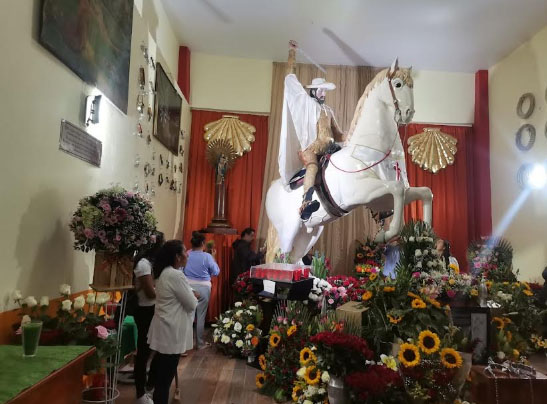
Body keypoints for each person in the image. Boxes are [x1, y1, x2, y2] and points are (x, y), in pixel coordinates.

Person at [279, 40, 346, 220]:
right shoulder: (306, 104)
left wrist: (355, 134)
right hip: (311, 148)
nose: (324, 94)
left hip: (331, 148)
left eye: (325, 91)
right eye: (321, 91)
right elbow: (291, 82)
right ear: (313, 91)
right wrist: (292, 54)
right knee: (313, 166)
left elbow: (338, 134)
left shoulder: (328, 110)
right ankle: (306, 201)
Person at [148, 240, 198, 404]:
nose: (187, 254)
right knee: (164, 381)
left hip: (164, 326)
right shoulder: (175, 275)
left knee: (161, 374)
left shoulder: (165, 272)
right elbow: (191, 303)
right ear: (177, 257)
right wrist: (194, 297)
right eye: (184, 251)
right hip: (171, 331)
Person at [133, 232, 164, 404]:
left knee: (157, 348)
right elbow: (150, 293)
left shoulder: (149, 263)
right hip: (144, 311)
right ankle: (140, 392)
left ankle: (150, 386)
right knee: (144, 352)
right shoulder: (143, 264)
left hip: (151, 309)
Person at [183, 231, 220, 349]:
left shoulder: (187, 254)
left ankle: (185, 344)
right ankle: (199, 343)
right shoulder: (207, 256)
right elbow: (216, 272)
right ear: (203, 243)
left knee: (188, 316)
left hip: (188, 287)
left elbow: (180, 270)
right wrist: (213, 257)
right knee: (201, 316)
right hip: (204, 288)